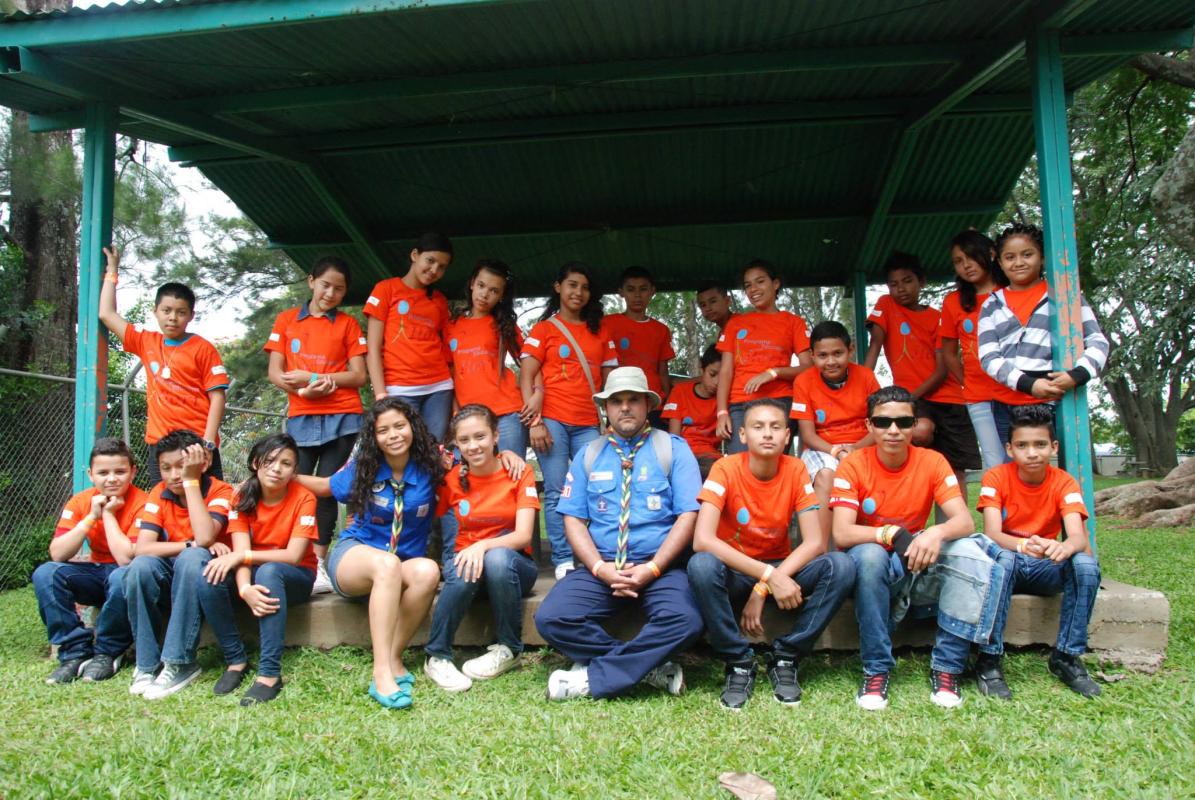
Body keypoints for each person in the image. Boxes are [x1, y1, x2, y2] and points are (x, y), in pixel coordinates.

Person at [534, 367, 705, 701]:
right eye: (617, 401)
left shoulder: (673, 449)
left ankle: (596, 678)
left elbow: (689, 515)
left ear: (647, 406)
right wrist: (600, 568)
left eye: (633, 400)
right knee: (551, 618)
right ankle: (651, 667)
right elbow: (573, 520)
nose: (625, 407)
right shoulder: (589, 455)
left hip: (660, 567)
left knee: (686, 621)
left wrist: (653, 568)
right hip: (602, 567)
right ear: (606, 409)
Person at [831, 386, 999, 711]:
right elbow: (842, 532)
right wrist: (890, 532)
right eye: (883, 422)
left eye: (903, 422)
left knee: (970, 553)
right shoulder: (852, 465)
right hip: (876, 556)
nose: (893, 430)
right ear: (869, 426)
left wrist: (935, 532)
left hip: (918, 553)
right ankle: (877, 669)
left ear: (914, 425)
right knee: (868, 557)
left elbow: (964, 522)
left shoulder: (933, 461)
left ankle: (948, 667)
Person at [688, 399, 855, 710]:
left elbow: (816, 541)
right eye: (758, 427)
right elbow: (703, 539)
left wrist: (765, 585)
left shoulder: (795, 469)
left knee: (841, 565)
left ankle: (787, 656)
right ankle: (738, 661)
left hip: (780, 568)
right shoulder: (724, 468)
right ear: (742, 434)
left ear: (787, 434)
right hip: (736, 572)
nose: (767, 434)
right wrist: (766, 576)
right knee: (701, 565)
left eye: (776, 427)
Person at [298, 397, 444, 709]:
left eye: (400, 426)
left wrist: (512, 458)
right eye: (383, 430)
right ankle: (381, 675)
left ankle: (392, 657)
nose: (393, 435)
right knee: (387, 564)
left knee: (428, 571)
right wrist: (281, 475)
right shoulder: (365, 467)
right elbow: (325, 487)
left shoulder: (432, 465)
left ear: (413, 428)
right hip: (356, 556)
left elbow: (476, 464)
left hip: (400, 565)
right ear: (374, 437)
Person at [973, 404, 1102, 699]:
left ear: (1053, 446)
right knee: (1002, 559)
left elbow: (1078, 537)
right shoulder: (996, 478)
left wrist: (1062, 546)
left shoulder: (1064, 481)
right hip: (1010, 562)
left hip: (1046, 565)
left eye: (1040, 444)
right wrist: (1022, 545)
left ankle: (1066, 656)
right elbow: (992, 533)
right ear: (1009, 448)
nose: (1032, 453)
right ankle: (989, 659)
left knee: (1084, 564)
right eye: (1022, 445)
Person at [265, 255, 367, 593]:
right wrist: (304, 389)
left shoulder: (349, 325)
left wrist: (320, 378)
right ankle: (294, 555)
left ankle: (320, 565)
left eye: (339, 289)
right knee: (295, 484)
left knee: (327, 488)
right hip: (301, 416)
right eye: (325, 285)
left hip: (344, 416)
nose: (330, 293)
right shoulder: (285, 321)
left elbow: (359, 375)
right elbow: (275, 373)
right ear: (311, 281)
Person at [423, 405, 540, 692]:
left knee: (497, 558)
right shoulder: (451, 481)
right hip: (467, 571)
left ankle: (508, 649)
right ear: (456, 444)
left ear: (496, 436)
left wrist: (482, 546)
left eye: (480, 437)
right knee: (464, 565)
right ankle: (437, 656)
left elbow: (524, 536)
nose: (473, 446)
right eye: (464, 440)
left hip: (511, 570)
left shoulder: (518, 472)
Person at [196, 434, 319, 705]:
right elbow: (240, 552)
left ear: (294, 471)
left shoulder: (305, 498)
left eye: (286, 463)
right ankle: (235, 660)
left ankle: (269, 674)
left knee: (270, 571)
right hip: (254, 570)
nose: (277, 468)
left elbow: (294, 555)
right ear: (255, 463)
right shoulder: (241, 495)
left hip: (295, 575)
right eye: (270, 460)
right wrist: (243, 588)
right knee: (209, 576)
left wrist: (246, 558)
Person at [520, 262, 618, 579]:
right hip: (552, 421)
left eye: (585, 287)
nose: (578, 292)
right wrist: (534, 421)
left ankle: (597, 554)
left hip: (590, 421)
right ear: (558, 287)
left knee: (599, 488)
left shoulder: (601, 331)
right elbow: (526, 375)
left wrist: (610, 419)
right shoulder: (543, 329)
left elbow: (611, 380)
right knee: (558, 488)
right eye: (572, 285)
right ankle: (563, 559)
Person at [99, 246, 228, 483]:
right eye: (166, 310)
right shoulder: (146, 340)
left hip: (197, 443)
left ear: (191, 315)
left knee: (210, 507)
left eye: (181, 312)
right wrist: (112, 271)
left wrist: (208, 443)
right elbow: (107, 314)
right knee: (165, 508)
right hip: (160, 445)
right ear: (155, 311)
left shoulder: (203, 348)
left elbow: (217, 397)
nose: (173, 317)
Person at [123, 430, 235, 699]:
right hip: (178, 569)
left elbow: (207, 536)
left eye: (182, 466)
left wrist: (190, 482)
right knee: (141, 567)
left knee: (192, 557)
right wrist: (190, 544)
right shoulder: (159, 493)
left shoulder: (221, 490)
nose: (174, 474)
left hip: (212, 576)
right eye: (166, 468)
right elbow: (143, 548)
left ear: (202, 462)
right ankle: (146, 665)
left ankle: (180, 661)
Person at [977, 223, 1110, 445]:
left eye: (1027, 254)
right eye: (1010, 257)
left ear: (1042, 257)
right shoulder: (991, 304)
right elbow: (988, 357)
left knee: (1056, 465)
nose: (1018, 262)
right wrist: (1028, 384)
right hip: (1006, 403)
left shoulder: (1065, 296)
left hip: (1056, 400)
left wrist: (1076, 375)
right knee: (1013, 468)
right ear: (1000, 262)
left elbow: (1098, 341)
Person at [33, 438, 148, 685]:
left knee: (122, 575)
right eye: (103, 472)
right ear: (90, 474)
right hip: (95, 574)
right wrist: (91, 517)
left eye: (120, 471)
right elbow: (58, 554)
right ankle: (74, 654)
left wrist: (107, 515)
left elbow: (125, 559)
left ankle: (107, 652)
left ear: (133, 472)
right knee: (46, 573)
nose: (112, 479)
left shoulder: (145, 502)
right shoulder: (80, 502)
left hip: (129, 577)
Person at [864, 251, 979, 490]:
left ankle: (955, 527)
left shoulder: (938, 318)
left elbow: (941, 370)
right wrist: (861, 386)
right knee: (920, 431)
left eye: (907, 281)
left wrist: (909, 398)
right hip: (913, 398)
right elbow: (875, 345)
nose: (900, 289)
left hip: (946, 396)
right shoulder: (886, 305)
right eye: (893, 284)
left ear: (922, 281)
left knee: (953, 470)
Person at [790, 321, 879, 537]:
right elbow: (808, 435)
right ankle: (820, 552)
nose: (831, 361)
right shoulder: (803, 381)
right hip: (822, 448)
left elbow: (879, 425)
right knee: (827, 474)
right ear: (812, 355)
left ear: (850, 351)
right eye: (822, 355)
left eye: (838, 353)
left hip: (864, 445)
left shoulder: (866, 377)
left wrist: (855, 449)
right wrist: (836, 452)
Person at [938, 230, 1018, 469]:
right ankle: (999, 507)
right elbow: (949, 352)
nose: (966, 265)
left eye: (972, 257)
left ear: (992, 254)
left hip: (1016, 389)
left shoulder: (1011, 292)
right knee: (995, 463)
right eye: (958, 261)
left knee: (1019, 457)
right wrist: (966, 382)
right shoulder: (953, 301)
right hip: (978, 396)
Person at [363, 232, 455, 442]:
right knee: (400, 451)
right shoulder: (385, 289)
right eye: (430, 261)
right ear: (415, 255)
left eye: (441, 267)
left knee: (433, 452)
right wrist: (380, 395)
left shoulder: (439, 300)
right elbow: (373, 349)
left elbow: (446, 349)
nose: (434, 270)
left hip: (439, 388)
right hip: (398, 388)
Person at [715, 260, 812, 455]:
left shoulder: (793, 322)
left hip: (780, 401)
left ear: (775, 284)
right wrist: (722, 412)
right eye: (748, 285)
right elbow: (725, 371)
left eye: (760, 281)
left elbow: (808, 368)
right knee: (741, 462)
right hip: (740, 404)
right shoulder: (736, 324)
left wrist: (773, 372)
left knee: (773, 462)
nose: (753, 289)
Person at [445, 259, 533, 458]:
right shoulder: (451, 325)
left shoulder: (503, 324)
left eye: (494, 290)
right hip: (468, 417)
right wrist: (455, 413)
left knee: (511, 475)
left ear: (501, 296)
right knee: (466, 480)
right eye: (481, 285)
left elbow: (530, 361)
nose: (485, 294)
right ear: (472, 284)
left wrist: (537, 396)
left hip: (507, 413)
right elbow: (448, 373)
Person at [603, 266, 675, 426]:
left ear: (652, 291)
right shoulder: (607, 324)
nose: (637, 295)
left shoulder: (661, 330)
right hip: (620, 401)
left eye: (643, 289)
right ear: (621, 292)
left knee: (655, 450)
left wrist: (667, 403)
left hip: (654, 403)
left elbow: (663, 372)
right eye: (630, 289)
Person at [661, 344, 722, 477]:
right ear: (702, 369)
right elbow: (674, 437)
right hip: (683, 454)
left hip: (711, 457)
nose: (717, 382)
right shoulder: (680, 392)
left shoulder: (724, 400)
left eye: (723, 377)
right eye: (712, 374)